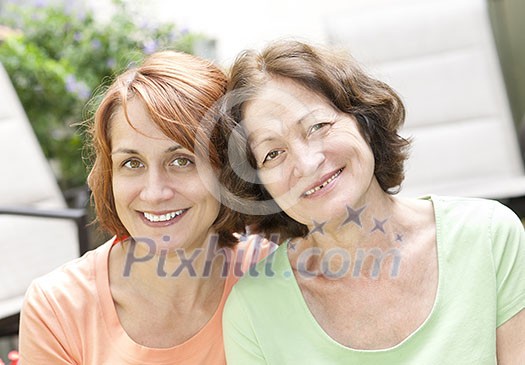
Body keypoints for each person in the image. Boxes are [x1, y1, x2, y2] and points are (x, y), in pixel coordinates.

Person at [221, 40, 525, 364]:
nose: (307, 163)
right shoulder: (253, 312)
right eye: (273, 154)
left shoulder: (488, 236)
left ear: (363, 120)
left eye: (317, 126)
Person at [18, 50, 271, 364]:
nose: (154, 193)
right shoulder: (59, 308)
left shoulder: (271, 276)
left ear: (228, 171)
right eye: (132, 163)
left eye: (182, 161)